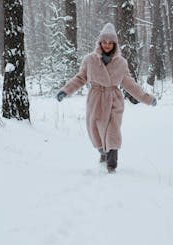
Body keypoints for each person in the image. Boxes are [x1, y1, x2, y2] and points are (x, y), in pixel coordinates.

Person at [56, 23, 156, 172]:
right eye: (104, 42)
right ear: (100, 43)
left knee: (113, 131)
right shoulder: (89, 60)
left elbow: (130, 84)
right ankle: (103, 152)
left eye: (110, 43)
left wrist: (147, 98)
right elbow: (80, 78)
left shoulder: (121, 63)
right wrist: (65, 91)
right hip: (96, 99)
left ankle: (111, 164)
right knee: (95, 130)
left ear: (115, 44)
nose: (107, 45)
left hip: (114, 99)